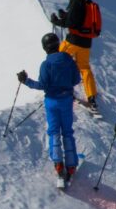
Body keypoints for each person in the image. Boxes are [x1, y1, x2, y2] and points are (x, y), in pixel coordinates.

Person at [17, 32, 82, 184]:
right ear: (58, 44)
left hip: (52, 101)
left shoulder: (46, 65)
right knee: (67, 131)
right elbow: (76, 79)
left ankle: (58, 164)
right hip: (66, 100)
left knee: (53, 131)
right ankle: (71, 165)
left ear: (45, 48)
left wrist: (26, 80)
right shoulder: (69, 60)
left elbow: (42, 85)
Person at [50, 0, 99, 112]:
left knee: (57, 58)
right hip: (86, 42)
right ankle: (92, 98)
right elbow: (79, 18)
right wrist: (66, 15)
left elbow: (73, 22)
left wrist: (57, 21)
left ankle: (58, 87)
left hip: (74, 40)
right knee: (84, 68)